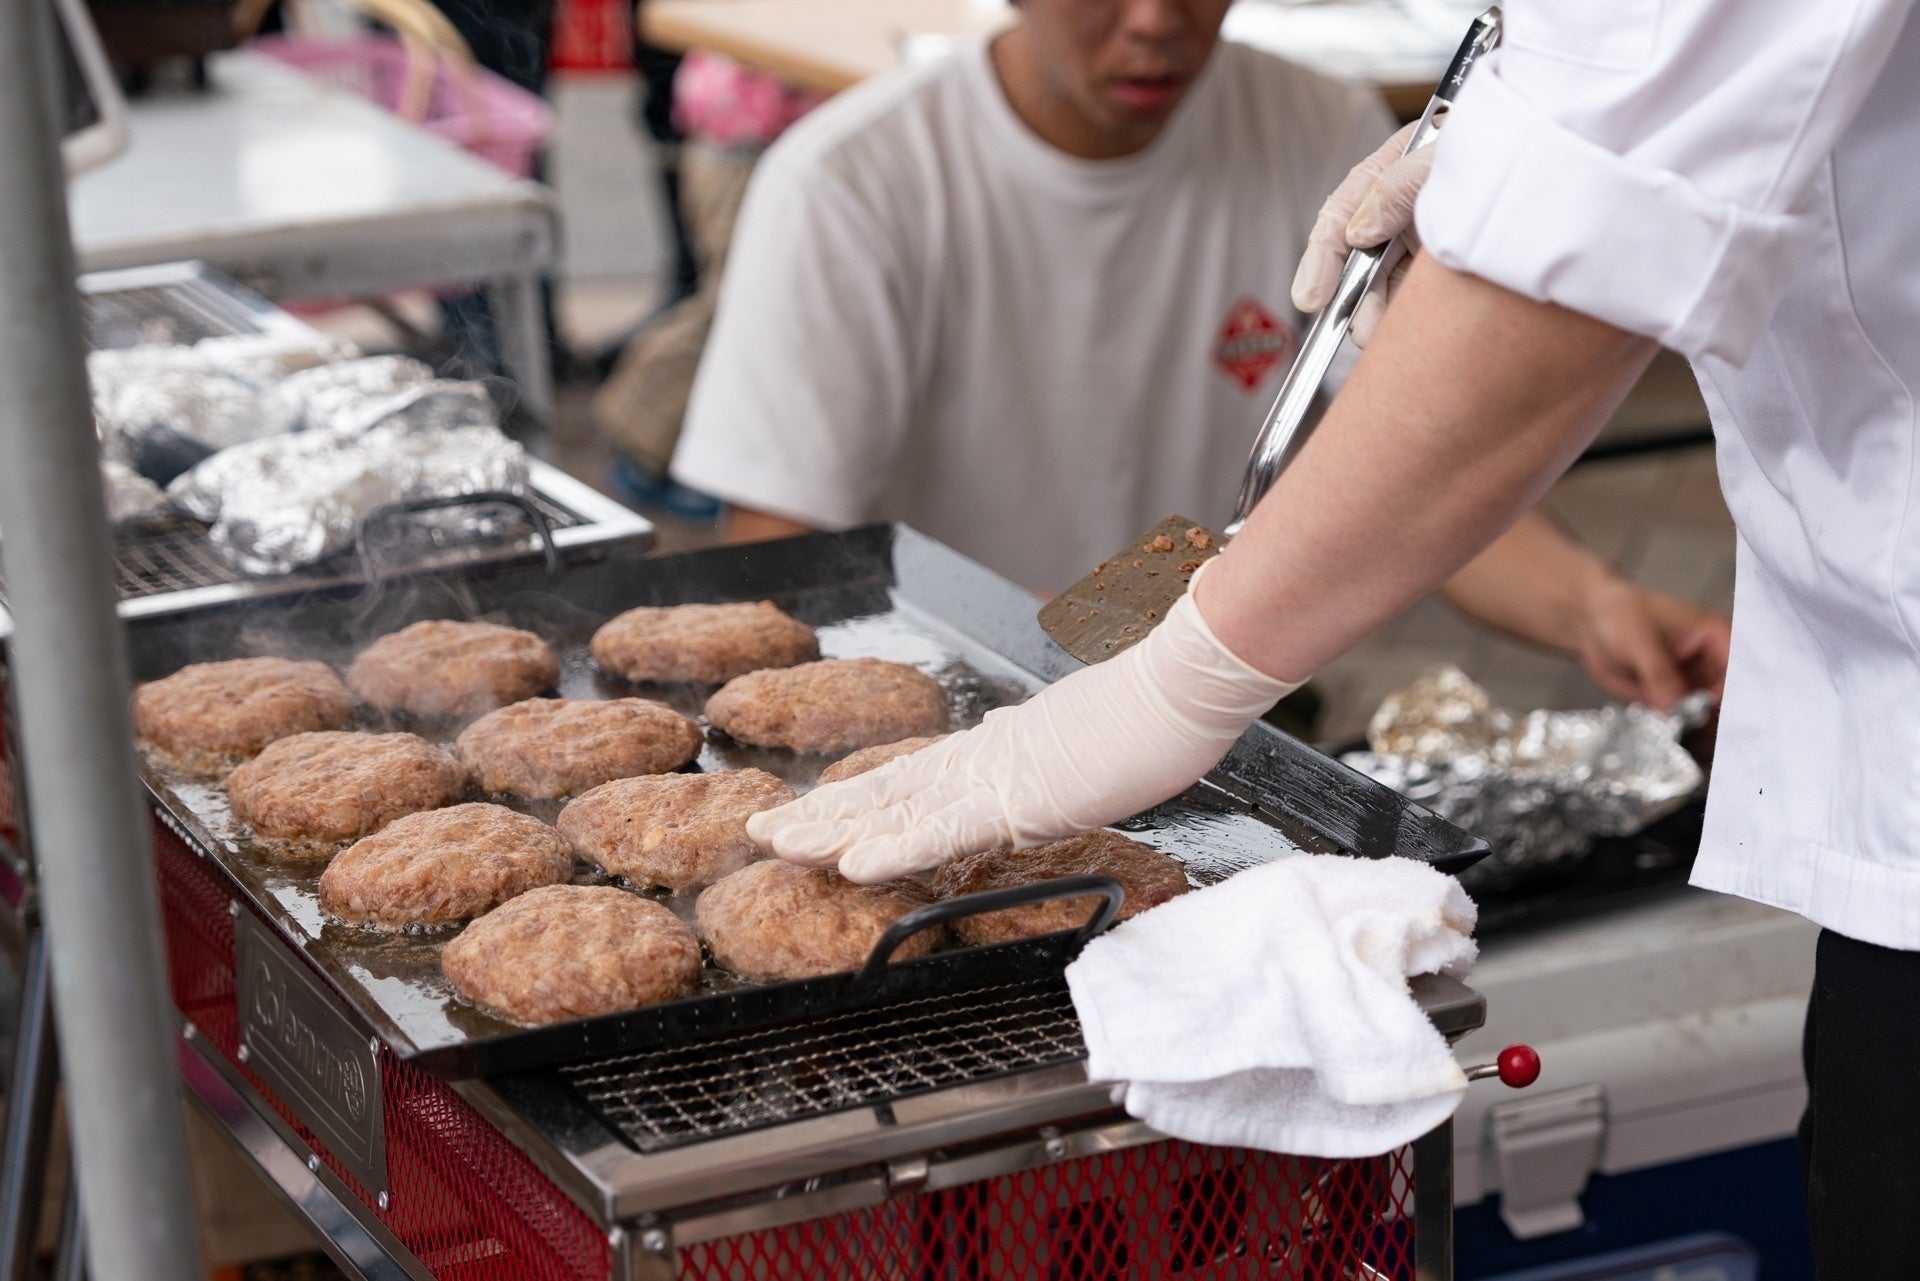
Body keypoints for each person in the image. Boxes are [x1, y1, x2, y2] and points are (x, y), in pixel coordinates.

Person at [752, 2, 1920, 1274]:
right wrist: (1518, 151)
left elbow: (1588, 243)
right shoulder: (861, 177)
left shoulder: (1289, 111)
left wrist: (1182, 678)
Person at [669, 0, 1727, 710]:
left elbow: (1401, 467)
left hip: (1227, 707)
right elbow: (779, 557)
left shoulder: (1320, 131)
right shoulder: (856, 184)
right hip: (947, 714)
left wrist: (1597, 602)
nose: (1157, 24)